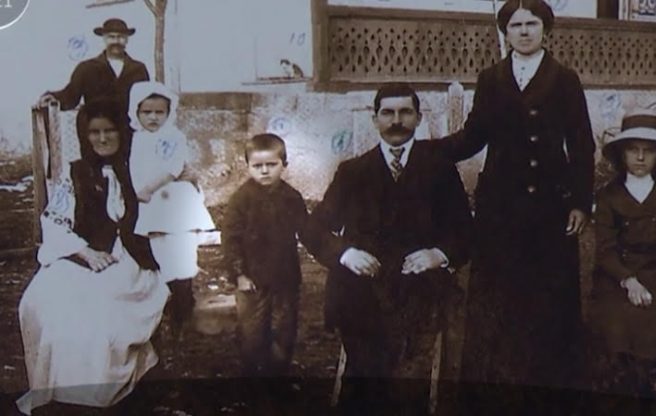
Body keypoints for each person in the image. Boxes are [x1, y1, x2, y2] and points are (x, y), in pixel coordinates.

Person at [431, 0, 595, 412]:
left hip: (550, 208)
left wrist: (580, 202)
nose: (524, 32)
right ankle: (491, 392)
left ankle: (549, 393)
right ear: (505, 32)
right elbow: (474, 136)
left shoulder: (565, 78)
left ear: (546, 30)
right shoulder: (491, 78)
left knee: (547, 301)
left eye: (532, 24)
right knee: (497, 298)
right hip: (500, 209)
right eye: (516, 25)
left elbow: (581, 144)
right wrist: (425, 152)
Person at [304, 83, 473, 414]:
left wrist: (438, 255)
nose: (397, 121)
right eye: (388, 113)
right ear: (375, 119)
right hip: (362, 291)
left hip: (420, 289)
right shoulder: (352, 172)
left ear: (419, 118)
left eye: (405, 112)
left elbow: (465, 232)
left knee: (409, 376)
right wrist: (345, 254)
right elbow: (314, 228)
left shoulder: (440, 170)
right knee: (367, 374)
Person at [16, 98, 169, 415]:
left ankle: (99, 390)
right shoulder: (75, 173)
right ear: (84, 135)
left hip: (129, 257)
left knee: (99, 309)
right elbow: (54, 220)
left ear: (121, 131)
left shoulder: (139, 167)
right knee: (42, 299)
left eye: (109, 130)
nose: (102, 138)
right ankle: (59, 388)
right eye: (94, 132)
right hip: (85, 252)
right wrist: (85, 252)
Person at [589, 110, 656, 410]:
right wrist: (628, 280)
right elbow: (605, 249)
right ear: (621, 154)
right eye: (633, 149)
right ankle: (626, 388)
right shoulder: (608, 195)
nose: (640, 157)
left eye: (649, 150)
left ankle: (652, 382)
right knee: (616, 318)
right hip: (618, 274)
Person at [128, 81, 215, 337]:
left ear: (169, 113)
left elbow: (173, 167)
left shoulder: (173, 136)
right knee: (160, 252)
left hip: (172, 199)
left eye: (159, 112)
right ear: (136, 112)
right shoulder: (135, 139)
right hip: (150, 206)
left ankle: (184, 306)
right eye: (147, 112)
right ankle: (167, 302)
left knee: (182, 252)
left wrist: (148, 188)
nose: (153, 118)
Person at [222, 134, 308, 382]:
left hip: (285, 277)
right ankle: (252, 378)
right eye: (257, 166)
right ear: (248, 166)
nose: (264, 171)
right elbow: (230, 239)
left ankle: (279, 377)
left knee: (285, 329)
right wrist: (239, 274)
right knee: (252, 332)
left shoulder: (292, 197)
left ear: (284, 164)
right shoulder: (241, 199)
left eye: (271, 164)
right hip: (252, 279)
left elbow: (308, 230)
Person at [38, 18, 149, 111]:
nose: (116, 41)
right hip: (97, 127)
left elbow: (146, 100)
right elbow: (70, 95)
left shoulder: (138, 69)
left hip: (128, 127)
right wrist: (52, 97)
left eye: (121, 37)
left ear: (127, 40)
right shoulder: (87, 68)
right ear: (104, 39)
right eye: (111, 37)